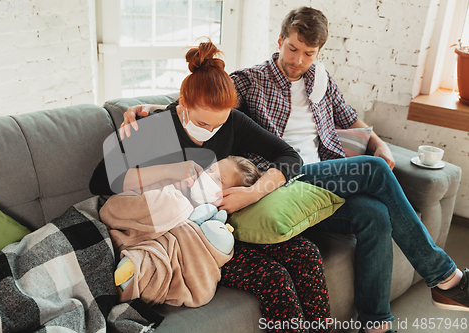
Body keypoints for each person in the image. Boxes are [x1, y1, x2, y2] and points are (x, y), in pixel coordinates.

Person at [121, 7, 469, 333]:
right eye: (293, 49)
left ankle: (375, 322)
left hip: (322, 179)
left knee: (375, 214)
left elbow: (349, 118)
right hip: (285, 179)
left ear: (318, 53)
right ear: (280, 41)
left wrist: (378, 141)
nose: (298, 60)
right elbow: (205, 99)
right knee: (376, 171)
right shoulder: (252, 81)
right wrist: (149, 110)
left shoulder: (322, 81)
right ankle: (444, 277)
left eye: (308, 53)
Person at [90, 40, 333, 332]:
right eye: (203, 123)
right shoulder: (156, 127)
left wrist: (252, 193)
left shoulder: (233, 122)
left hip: (224, 220)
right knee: (274, 277)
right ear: (182, 103)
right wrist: (171, 169)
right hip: (190, 235)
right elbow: (101, 180)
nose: (209, 134)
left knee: (306, 253)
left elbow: (290, 156)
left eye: (217, 125)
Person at [100, 156, 262, 307]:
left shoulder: (213, 229)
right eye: (211, 170)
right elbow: (112, 209)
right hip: (118, 235)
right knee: (175, 205)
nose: (207, 176)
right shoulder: (174, 185)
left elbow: (202, 283)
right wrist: (174, 203)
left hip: (145, 260)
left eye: (219, 180)